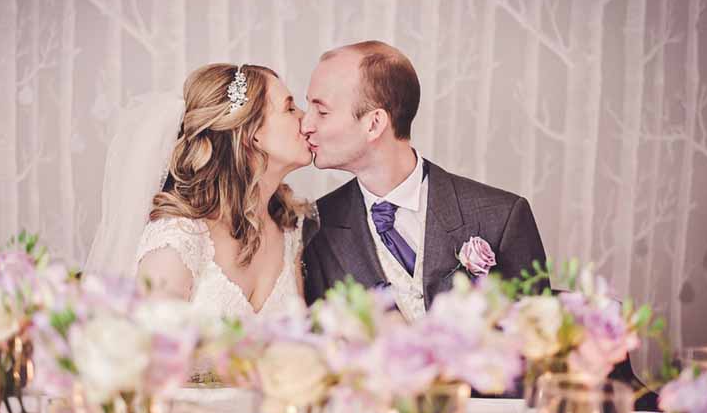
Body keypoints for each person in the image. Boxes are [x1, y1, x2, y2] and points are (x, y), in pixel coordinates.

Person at [300, 40, 548, 321]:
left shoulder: (502, 217)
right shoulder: (317, 229)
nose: (305, 125)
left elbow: (541, 346)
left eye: (321, 112)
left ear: (374, 124)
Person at [86, 63, 312, 319]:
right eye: (290, 108)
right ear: (252, 133)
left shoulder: (289, 232)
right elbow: (148, 352)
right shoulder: (178, 240)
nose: (306, 118)